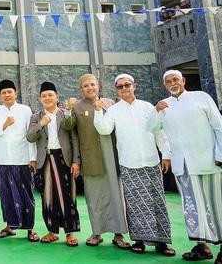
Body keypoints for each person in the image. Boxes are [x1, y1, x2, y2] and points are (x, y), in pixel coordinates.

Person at [93, 73, 175, 256]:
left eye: (127, 85)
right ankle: (138, 240)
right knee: (135, 204)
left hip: (151, 161)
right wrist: (98, 111)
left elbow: (158, 132)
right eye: (120, 87)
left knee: (157, 202)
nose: (124, 89)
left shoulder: (147, 107)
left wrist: (166, 155)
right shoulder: (113, 110)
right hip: (129, 163)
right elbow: (104, 129)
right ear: (116, 90)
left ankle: (162, 243)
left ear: (134, 86)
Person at [154, 70, 222, 262]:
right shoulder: (163, 105)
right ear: (165, 85)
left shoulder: (201, 97)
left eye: (176, 79)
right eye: (168, 81)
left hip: (208, 161)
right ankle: (202, 247)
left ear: (183, 81)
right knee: (192, 207)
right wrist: (156, 110)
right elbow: (152, 129)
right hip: (183, 166)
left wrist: (220, 154)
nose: (173, 83)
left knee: (217, 204)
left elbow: (219, 126)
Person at [63, 73, 130, 248]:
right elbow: (70, 129)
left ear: (98, 86)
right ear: (80, 89)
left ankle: (118, 234)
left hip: (111, 155)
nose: (90, 88)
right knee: (94, 198)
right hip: (90, 157)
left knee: (116, 195)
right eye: (85, 86)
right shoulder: (76, 106)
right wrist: (69, 110)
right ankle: (97, 233)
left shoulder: (111, 104)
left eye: (92, 84)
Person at [27, 81, 81, 247]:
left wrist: (76, 161)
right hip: (45, 160)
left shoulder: (65, 114)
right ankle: (52, 231)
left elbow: (74, 138)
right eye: (44, 96)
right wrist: (41, 124)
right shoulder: (36, 117)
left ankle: (70, 233)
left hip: (64, 159)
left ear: (57, 97)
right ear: (40, 98)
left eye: (50, 95)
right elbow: (30, 137)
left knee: (67, 196)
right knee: (47, 197)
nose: (47, 98)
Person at [0, 80, 38, 242]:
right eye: (3, 93)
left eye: (10, 92)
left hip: (22, 159)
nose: (7, 95)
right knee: (6, 195)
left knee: (26, 195)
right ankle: (10, 226)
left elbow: (30, 136)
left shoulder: (25, 110)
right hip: (2, 160)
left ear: (16, 93)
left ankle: (30, 229)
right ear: (0, 95)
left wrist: (32, 158)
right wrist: (4, 125)